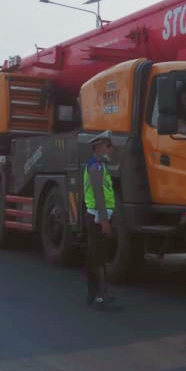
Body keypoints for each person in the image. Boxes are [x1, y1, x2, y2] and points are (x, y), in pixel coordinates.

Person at [83, 130, 116, 310]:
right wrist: (103, 220)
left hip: (99, 215)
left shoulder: (101, 166)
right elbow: (98, 194)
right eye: (107, 146)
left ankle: (101, 293)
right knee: (96, 257)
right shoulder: (95, 166)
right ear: (99, 147)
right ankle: (96, 294)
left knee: (100, 256)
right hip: (96, 216)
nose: (110, 150)